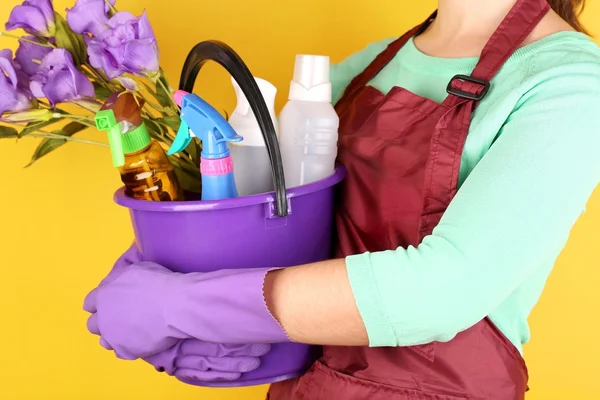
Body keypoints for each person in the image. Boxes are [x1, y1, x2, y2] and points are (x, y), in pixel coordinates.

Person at [83, 0, 600, 398]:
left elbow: (444, 290)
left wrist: (183, 306)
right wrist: (156, 281)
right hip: (308, 383)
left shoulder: (569, 81)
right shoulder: (366, 68)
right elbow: (271, 224)